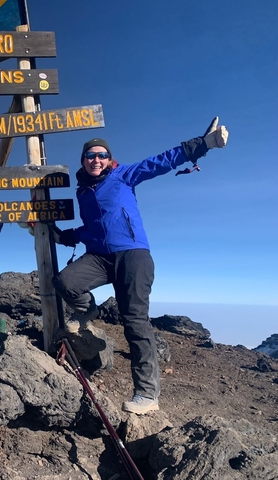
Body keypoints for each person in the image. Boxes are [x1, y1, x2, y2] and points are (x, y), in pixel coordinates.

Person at [51, 118, 229, 415]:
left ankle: (146, 393)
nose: (96, 160)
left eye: (101, 155)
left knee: (135, 322)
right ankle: (87, 311)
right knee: (66, 282)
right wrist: (61, 235)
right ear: (83, 161)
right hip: (98, 257)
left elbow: (159, 162)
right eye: (90, 156)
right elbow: (91, 228)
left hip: (133, 255)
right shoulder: (83, 192)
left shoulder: (122, 176)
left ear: (109, 159)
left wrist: (203, 144)